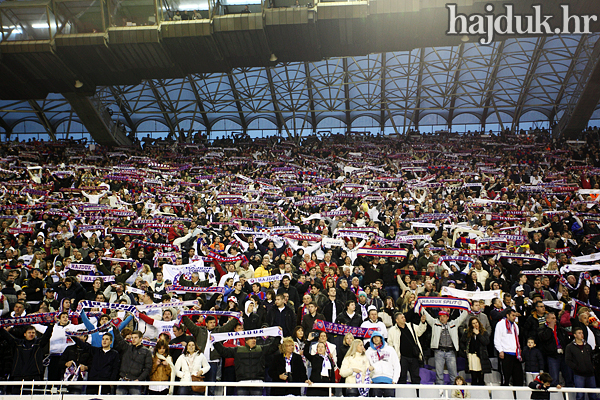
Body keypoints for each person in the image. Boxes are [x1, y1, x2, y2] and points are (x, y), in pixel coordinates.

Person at [181, 314, 238, 395]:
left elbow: (228, 327)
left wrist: (236, 318)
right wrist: (183, 316)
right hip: (200, 362)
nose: (213, 324)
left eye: (214, 322)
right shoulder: (199, 330)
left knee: (211, 384)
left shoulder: (219, 331)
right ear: (206, 323)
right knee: (199, 384)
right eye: (210, 322)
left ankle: (211, 397)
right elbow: (190, 325)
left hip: (213, 361)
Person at [213, 335, 282, 395]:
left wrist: (278, 335)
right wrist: (215, 341)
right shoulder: (238, 350)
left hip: (257, 382)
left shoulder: (261, 349)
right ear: (246, 341)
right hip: (242, 382)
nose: (254, 340)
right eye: (251, 338)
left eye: (255, 338)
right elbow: (224, 351)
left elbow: (273, 347)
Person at [0, 322, 55, 392]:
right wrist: (1, 327)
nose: (31, 334)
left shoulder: (38, 343)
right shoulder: (17, 343)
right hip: (18, 376)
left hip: (34, 375)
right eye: (29, 332)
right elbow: (7, 336)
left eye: (33, 333)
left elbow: (47, 336)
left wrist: (51, 325)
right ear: (24, 334)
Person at [421, 308, 468, 385]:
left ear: (447, 317)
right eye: (440, 316)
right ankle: (440, 393)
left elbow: (463, 316)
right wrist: (421, 306)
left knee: (453, 374)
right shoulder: (434, 323)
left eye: (443, 316)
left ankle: (454, 392)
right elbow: (427, 315)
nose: (441, 318)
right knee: (439, 375)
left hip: (451, 352)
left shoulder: (454, 323)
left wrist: (466, 306)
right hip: (439, 351)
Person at [387, 310, 427, 384]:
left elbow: (420, 331)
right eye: (401, 317)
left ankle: (417, 394)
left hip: (414, 356)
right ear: (397, 320)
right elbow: (390, 344)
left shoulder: (411, 326)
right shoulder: (392, 330)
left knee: (416, 377)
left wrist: (422, 322)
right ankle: (402, 394)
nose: (404, 318)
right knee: (402, 377)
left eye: (404, 317)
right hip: (402, 357)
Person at [112, 328, 153, 395]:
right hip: (123, 380)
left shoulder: (146, 352)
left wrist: (139, 379)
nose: (133, 339)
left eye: (135, 337)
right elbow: (119, 339)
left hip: (135, 382)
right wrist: (115, 328)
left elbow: (148, 368)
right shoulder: (127, 347)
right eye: (132, 337)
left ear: (140, 339)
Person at [537, 312, 573, 387]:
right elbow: (543, 338)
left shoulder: (560, 329)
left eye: (555, 318)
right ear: (547, 319)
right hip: (552, 355)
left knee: (568, 376)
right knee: (554, 378)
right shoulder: (542, 328)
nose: (555, 320)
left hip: (563, 355)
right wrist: (550, 329)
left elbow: (566, 340)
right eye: (552, 318)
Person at [565, 327, 598, 400]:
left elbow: (592, 357)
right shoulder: (570, 347)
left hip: (590, 374)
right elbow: (568, 360)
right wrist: (577, 368)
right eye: (579, 333)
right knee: (580, 395)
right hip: (579, 374)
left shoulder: (587, 346)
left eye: (582, 333)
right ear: (575, 335)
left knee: (593, 395)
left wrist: (592, 366)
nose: (582, 334)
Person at [364, 331, 400, 397]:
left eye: (377, 337)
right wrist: (369, 380)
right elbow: (365, 366)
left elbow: (396, 365)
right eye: (374, 337)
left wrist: (395, 380)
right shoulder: (368, 352)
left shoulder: (390, 349)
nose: (376, 339)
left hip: (389, 381)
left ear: (381, 338)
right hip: (375, 381)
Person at [494, 309, 524, 387]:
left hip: (516, 354)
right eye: (513, 315)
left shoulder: (515, 326)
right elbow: (497, 339)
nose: (514, 317)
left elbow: (516, 339)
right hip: (506, 354)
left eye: (515, 316)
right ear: (507, 315)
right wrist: (500, 351)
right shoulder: (500, 324)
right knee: (506, 378)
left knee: (518, 378)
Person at [459, 316, 491, 386]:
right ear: (471, 325)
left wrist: (478, 334)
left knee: (481, 376)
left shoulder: (484, 332)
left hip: (481, 356)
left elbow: (486, 342)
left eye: (476, 322)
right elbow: (462, 342)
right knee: (474, 376)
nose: (475, 324)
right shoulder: (467, 332)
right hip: (471, 356)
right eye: (473, 323)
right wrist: (465, 349)